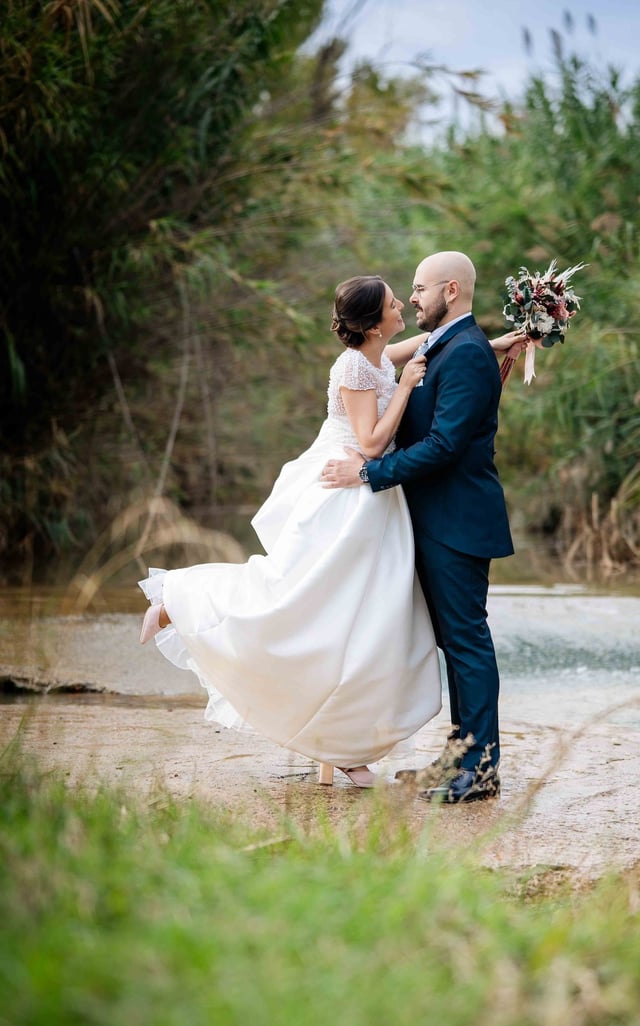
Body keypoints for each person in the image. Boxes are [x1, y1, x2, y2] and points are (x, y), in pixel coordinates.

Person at [138, 275, 444, 788]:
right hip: (346, 494)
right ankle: (180, 599)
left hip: (375, 502)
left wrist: (494, 342)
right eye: (395, 304)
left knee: (362, 620)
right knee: (299, 603)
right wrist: (408, 386)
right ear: (374, 325)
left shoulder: (375, 356)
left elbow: (421, 345)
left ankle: (342, 747)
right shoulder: (354, 366)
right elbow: (370, 444)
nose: (403, 308)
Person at [320, 251, 524, 804]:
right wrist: (498, 343)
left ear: (450, 290)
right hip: (433, 517)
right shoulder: (449, 343)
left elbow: (444, 445)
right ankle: (459, 757)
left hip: (457, 520)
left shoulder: (465, 351)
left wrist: (368, 473)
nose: (411, 298)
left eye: (418, 288)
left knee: (467, 643)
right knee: (453, 643)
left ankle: (479, 771)